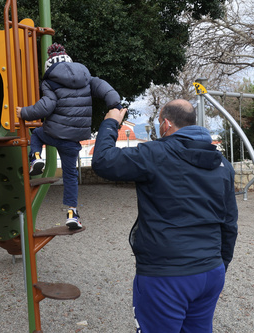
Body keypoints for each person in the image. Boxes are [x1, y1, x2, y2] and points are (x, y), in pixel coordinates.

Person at [92, 100, 238, 332]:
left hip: (165, 275)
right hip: (210, 272)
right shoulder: (222, 164)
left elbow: (102, 161)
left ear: (165, 124)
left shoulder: (155, 153)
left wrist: (111, 122)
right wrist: (220, 264)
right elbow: (229, 223)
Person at [16, 43, 122, 229]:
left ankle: (36, 157)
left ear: (50, 65)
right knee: (71, 175)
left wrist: (24, 112)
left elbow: (46, 106)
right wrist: (114, 104)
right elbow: (105, 88)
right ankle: (72, 213)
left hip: (53, 133)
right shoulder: (87, 77)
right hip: (74, 138)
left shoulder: (50, 81)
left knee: (37, 135)